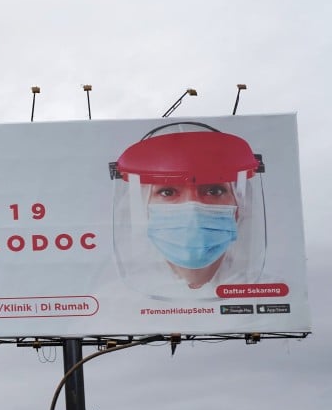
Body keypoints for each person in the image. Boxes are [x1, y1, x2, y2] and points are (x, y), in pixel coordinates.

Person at [110, 121, 267, 297]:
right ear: (142, 208)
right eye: (168, 192)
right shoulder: (114, 305)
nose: (193, 209)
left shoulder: (278, 298)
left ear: (239, 206)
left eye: (214, 191)